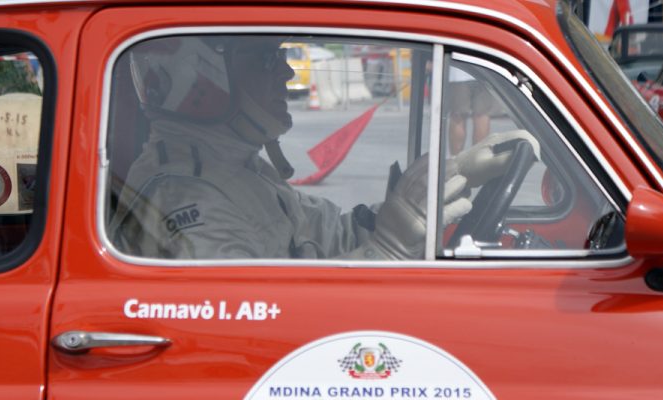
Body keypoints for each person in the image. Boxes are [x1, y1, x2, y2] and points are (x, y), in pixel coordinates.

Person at [109, 35, 536, 260]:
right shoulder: (187, 197)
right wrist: (387, 249)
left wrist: (453, 175)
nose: (288, 73)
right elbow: (256, 325)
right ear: (204, 79)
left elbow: (325, 233)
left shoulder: (237, 169)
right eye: (265, 60)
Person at [446, 66, 494, 156]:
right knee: (482, 115)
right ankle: (478, 159)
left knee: (458, 116)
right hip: (484, 70)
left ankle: (456, 160)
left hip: (459, 71)